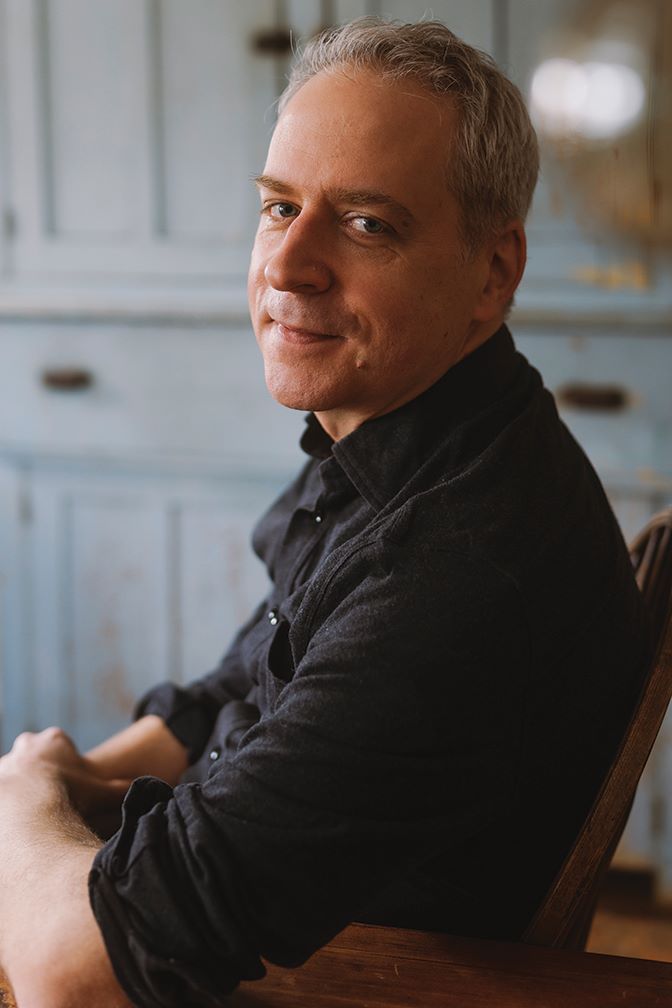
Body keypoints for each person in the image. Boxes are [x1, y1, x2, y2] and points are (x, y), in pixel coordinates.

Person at [0, 17, 651, 1008]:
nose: (287, 265)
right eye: (279, 207)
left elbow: (77, 976)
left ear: (493, 272)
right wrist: (76, 776)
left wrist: (23, 800)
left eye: (367, 224)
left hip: (350, 971)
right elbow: (247, 678)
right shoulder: (420, 427)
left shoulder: (458, 572)